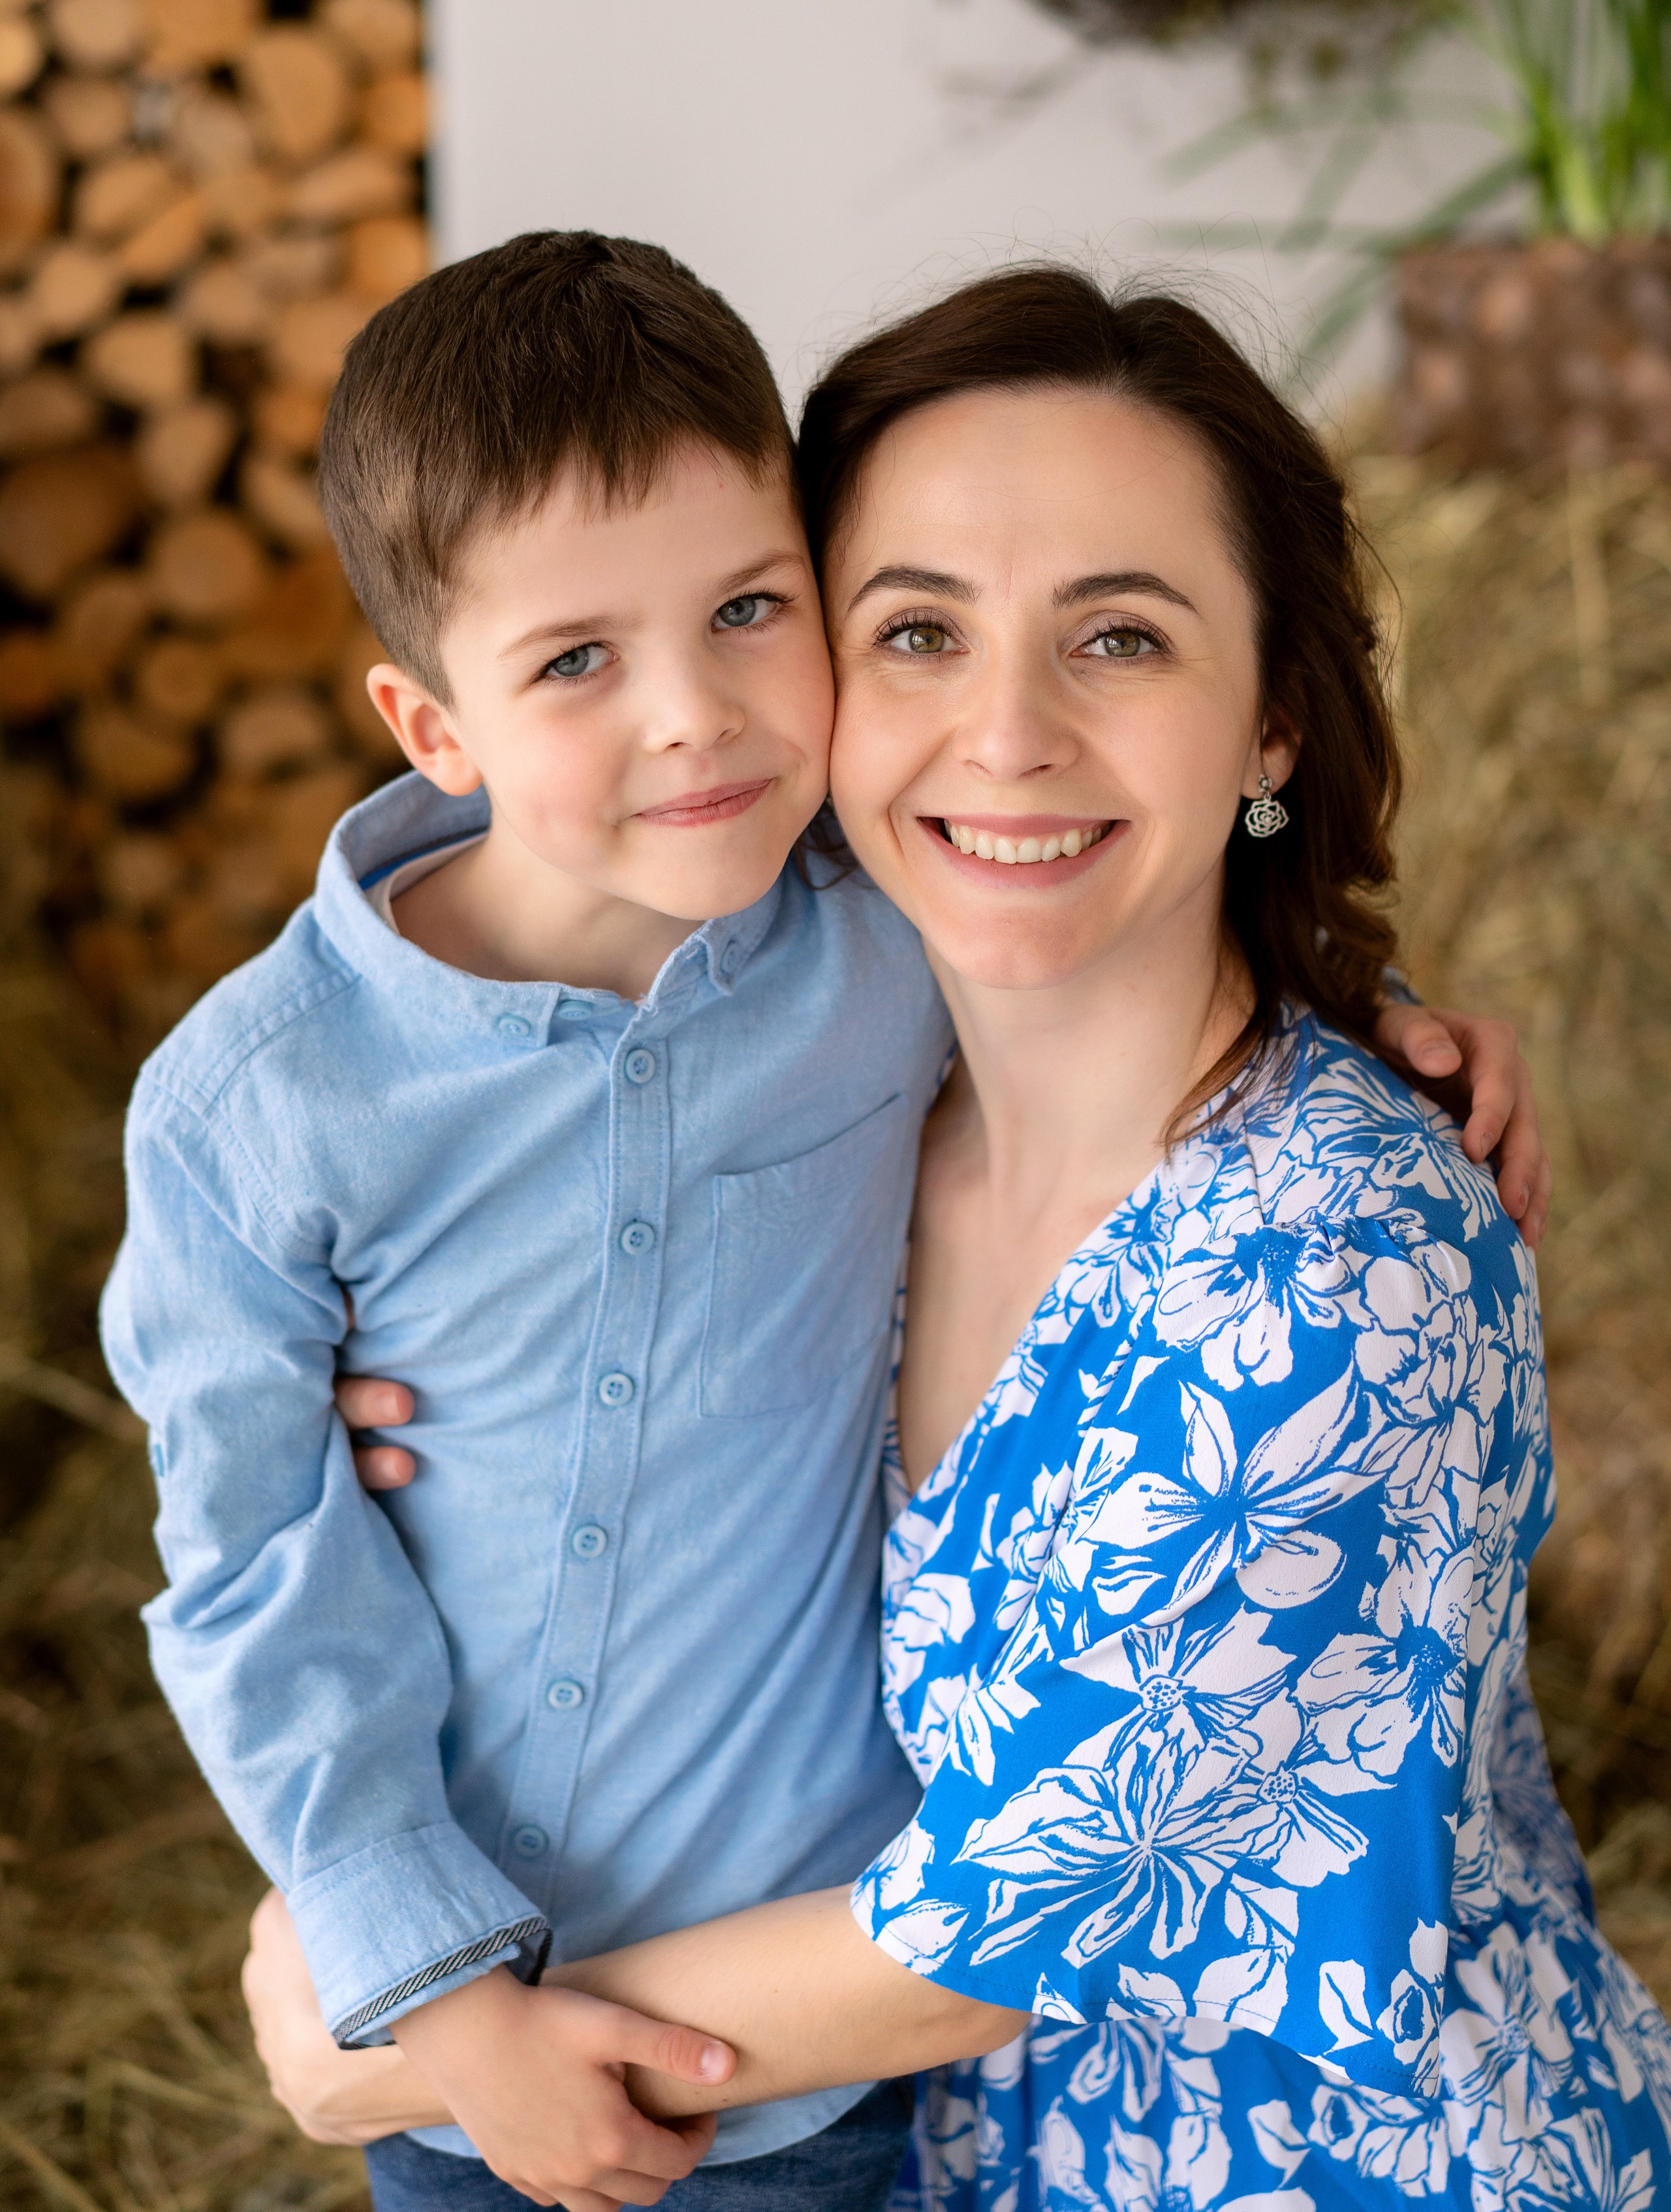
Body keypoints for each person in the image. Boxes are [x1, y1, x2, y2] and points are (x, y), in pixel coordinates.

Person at [245, 267, 1665, 2212]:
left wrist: (411, 2024)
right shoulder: (834, 1117)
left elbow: (983, 1934)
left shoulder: (1348, 1266)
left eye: (1123, 640)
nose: (1002, 736)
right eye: (915, 631)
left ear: (1273, 721)